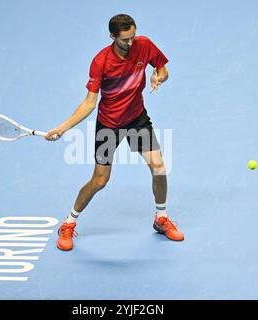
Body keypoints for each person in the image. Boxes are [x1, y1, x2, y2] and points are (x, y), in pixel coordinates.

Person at [46, 14, 184, 251]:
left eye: (132, 37)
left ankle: (160, 218)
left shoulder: (144, 44)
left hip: (137, 118)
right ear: (112, 37)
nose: (130, 43)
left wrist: (158, 76)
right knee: (100, 180)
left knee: (159, 168)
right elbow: (90, 103)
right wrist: (63, 127)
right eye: (124, 40)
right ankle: (68, 222)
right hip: (109, 124)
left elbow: (163, 70)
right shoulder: (101, 62)